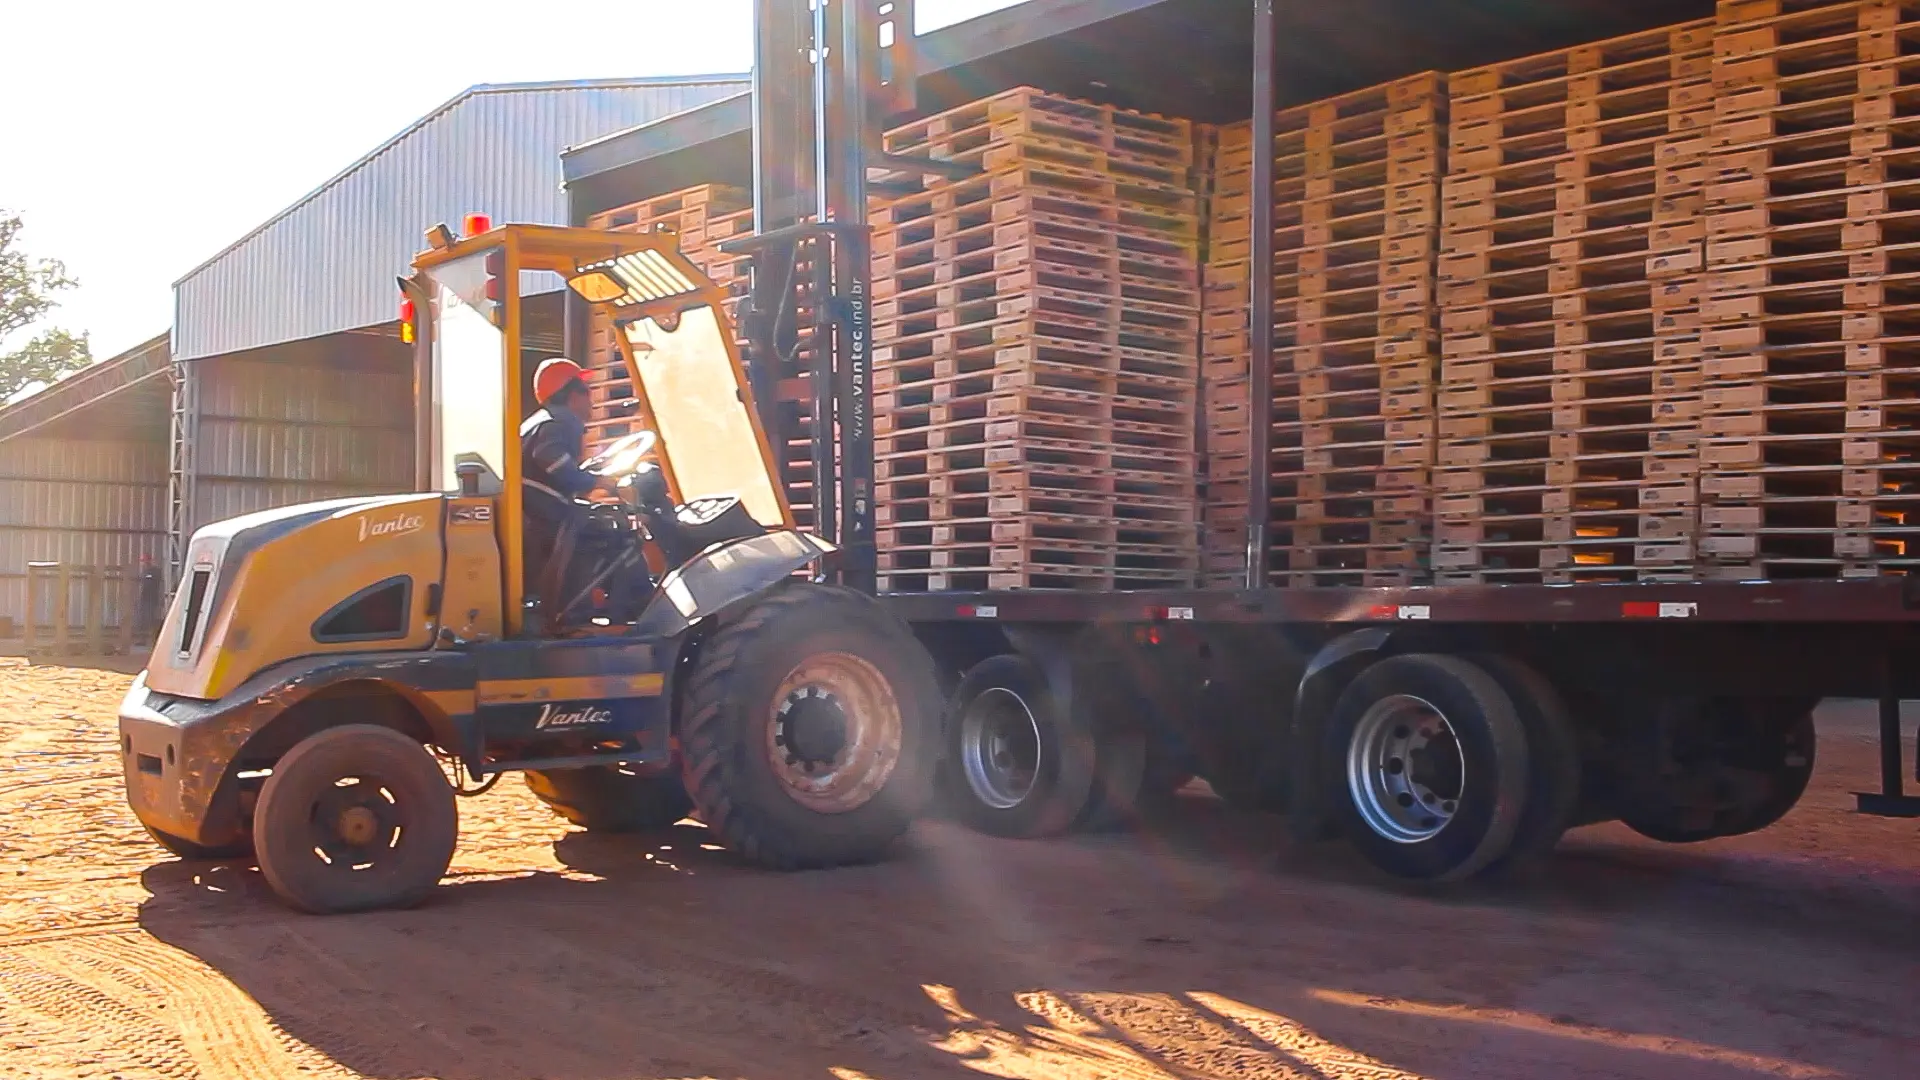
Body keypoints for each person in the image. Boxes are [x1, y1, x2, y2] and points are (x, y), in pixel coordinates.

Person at [520, 357, 621, 620]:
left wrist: (585, 474)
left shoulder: (538, 422)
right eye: (586, 392)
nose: (592, 401)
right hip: (544, 514)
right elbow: (552, 460)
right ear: (570, 395)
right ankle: (579, 611)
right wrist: (594, 482)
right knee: (609, 533)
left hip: (535, 511)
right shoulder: (558, 422)